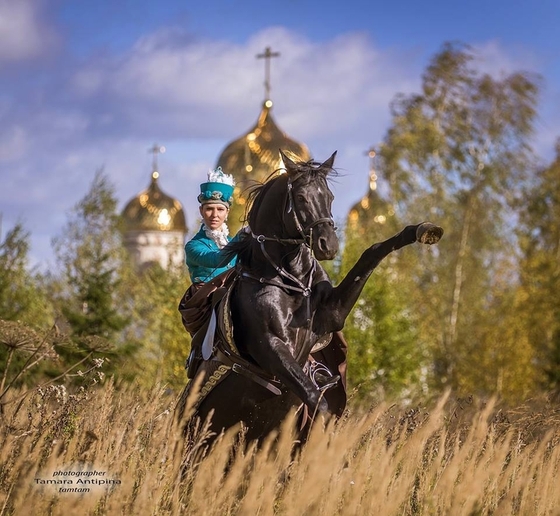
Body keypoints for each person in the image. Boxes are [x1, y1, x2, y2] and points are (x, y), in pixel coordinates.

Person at [178, 167, 239, 377]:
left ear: (227, 212)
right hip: (206, 298)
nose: (215, 215)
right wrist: (245, 238)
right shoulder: (193, 246)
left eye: (220, 210)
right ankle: (201, 357)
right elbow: (216, 259)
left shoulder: (230, 243)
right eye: (209, 209)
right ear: (201, 211)